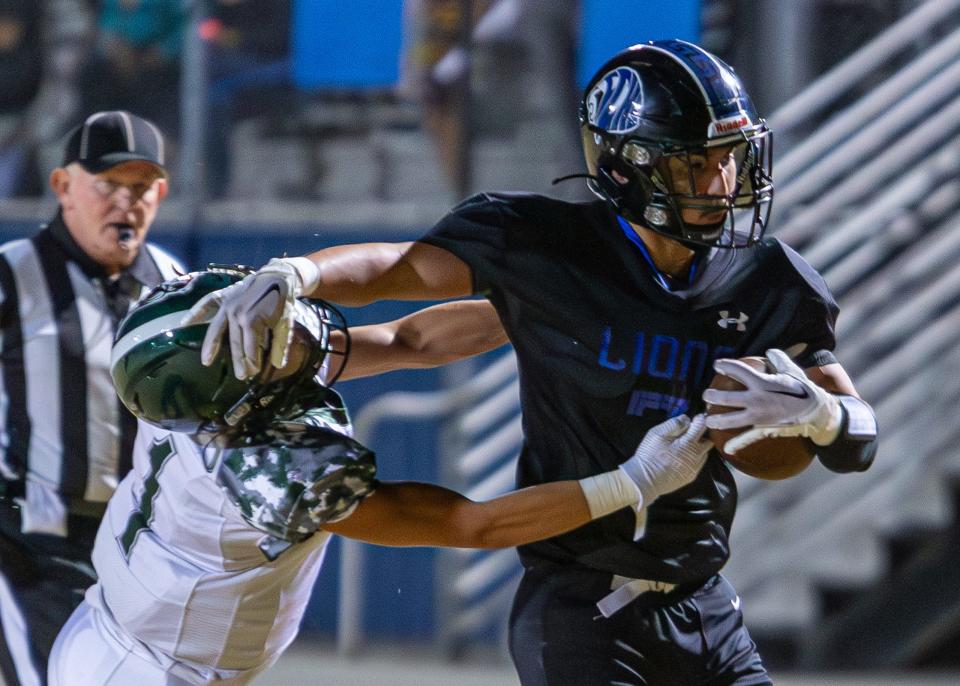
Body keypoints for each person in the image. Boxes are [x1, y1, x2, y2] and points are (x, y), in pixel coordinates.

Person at [186, 40, 881, 685]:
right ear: (628, 164)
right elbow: (396, 273)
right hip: (584, 605)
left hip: (707, 603)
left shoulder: (770, 282)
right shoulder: (549, 250)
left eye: (729, 155)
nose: (722, 179)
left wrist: (820, 416)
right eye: (693, 160)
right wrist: (300, 272)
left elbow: (856, 442)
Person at [48, 267, 713, 685]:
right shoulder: (271, 469)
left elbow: (409, 342)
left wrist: (562, 311)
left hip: (107, 632)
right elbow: (470, 524)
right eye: (271, 350)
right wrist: (633, 481)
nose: (289, 335)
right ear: (242, 408)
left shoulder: (211, 396)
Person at [0, 110, 181, 686]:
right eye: (108, 185)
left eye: (141, 187)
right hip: (26, 545)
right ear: (63, 186)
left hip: (135, 551)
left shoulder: (175, 284)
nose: (126, 203)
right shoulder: (13, 274)